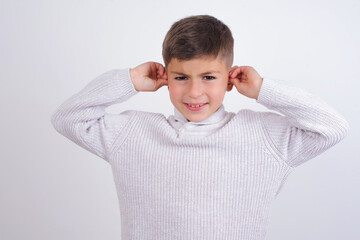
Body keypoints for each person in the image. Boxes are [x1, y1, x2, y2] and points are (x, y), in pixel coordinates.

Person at [51, 15, 349, 240]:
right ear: (165, 77)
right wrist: (129, 80)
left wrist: (263, 89)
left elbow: (331, 127)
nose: (194, 92)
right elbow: (68, 118)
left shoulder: (264, 136)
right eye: (181, 78)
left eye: (208, 77)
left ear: (230, 79)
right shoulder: (132, 133)